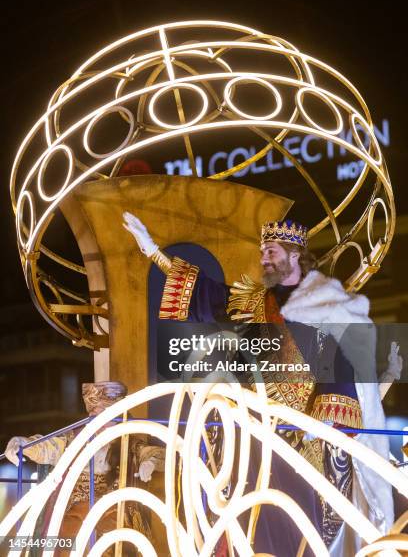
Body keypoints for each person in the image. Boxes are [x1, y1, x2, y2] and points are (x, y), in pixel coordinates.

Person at [123, 211, 402, 556]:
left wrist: (322, 421)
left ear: (294, 255)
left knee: (301, 525)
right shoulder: (251, 302)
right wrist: (153, 253)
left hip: (304, 440)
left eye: (271, 252)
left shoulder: (327, 305)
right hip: (253, 434)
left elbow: (345, 363)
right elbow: (204, 294)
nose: (264, 259)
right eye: (262, 253)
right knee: (247, 518)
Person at [5, 381, 165, 554]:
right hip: (75, 513)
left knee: (113, 541)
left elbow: (156, 453)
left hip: (113, 513)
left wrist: (150, 462)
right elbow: (47, 446)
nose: (100, 422)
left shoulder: (129, 444)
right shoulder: (74, 441)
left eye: (106, 415)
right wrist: (22, 443)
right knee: (64, 538)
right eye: (94, 414)